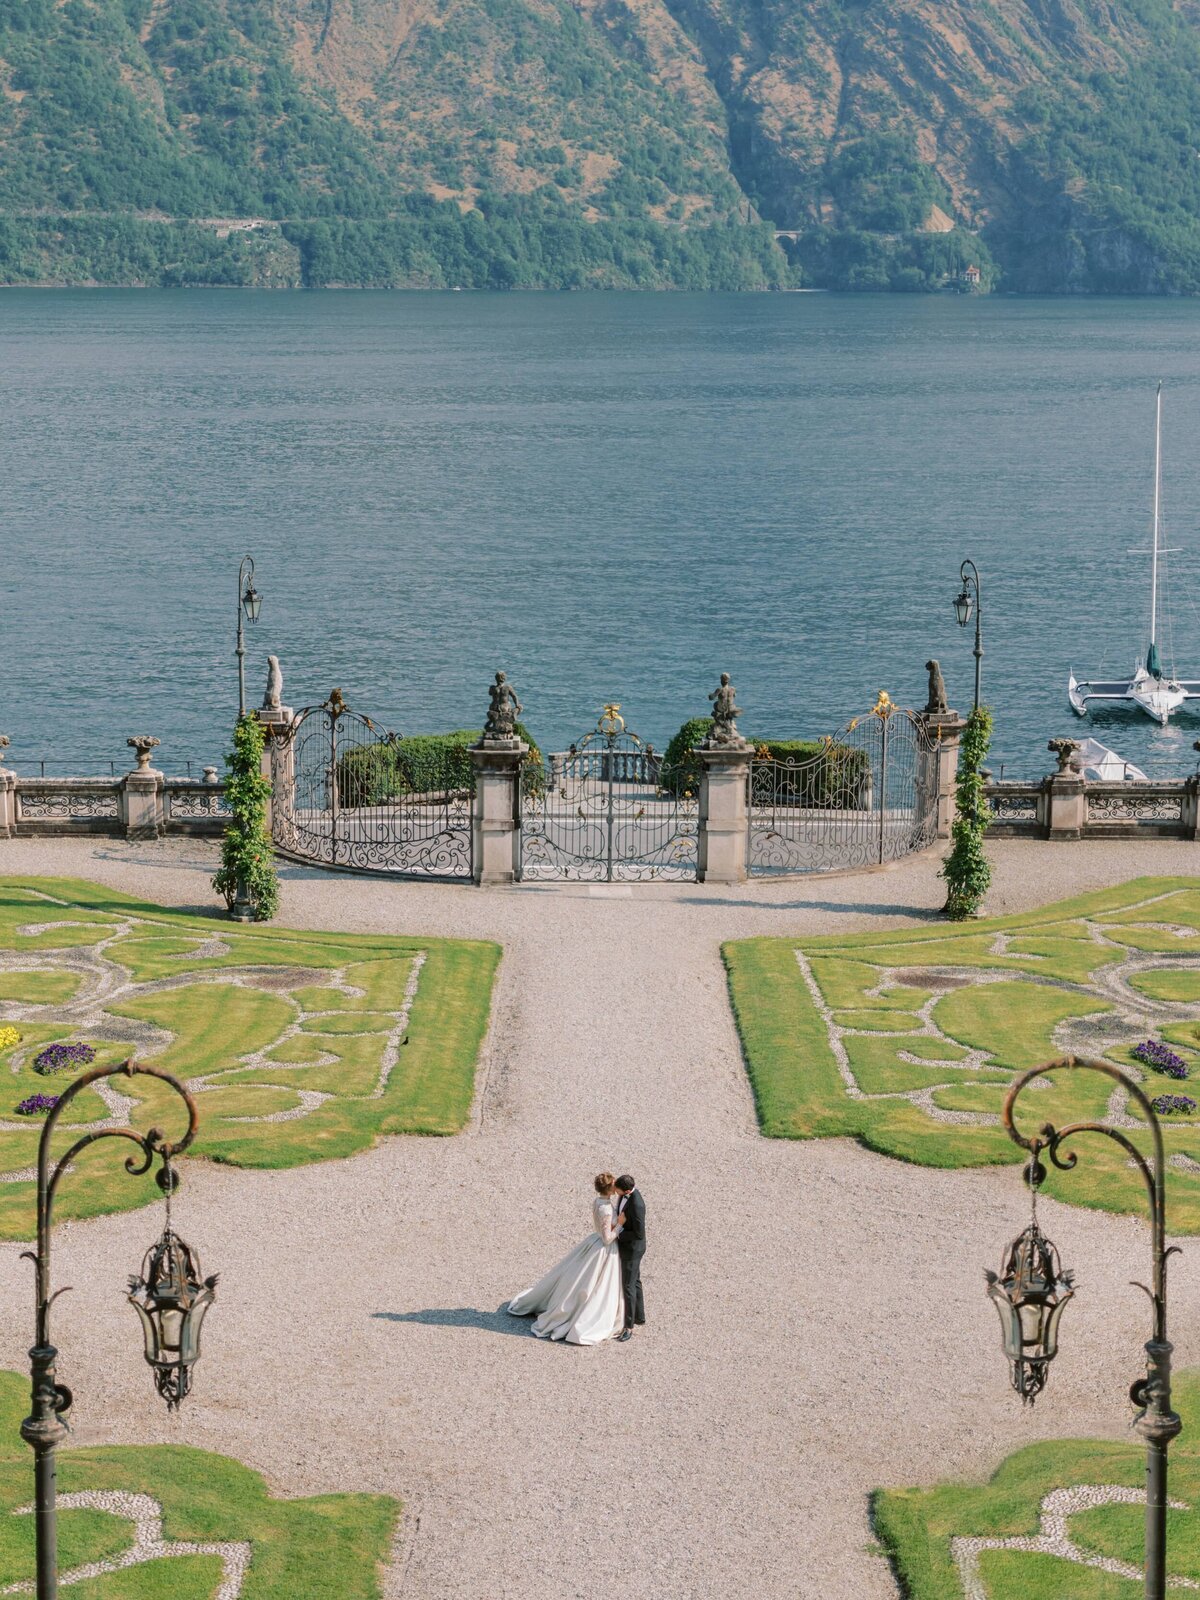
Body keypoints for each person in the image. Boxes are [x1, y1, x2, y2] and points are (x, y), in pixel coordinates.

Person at [507, 1174, 625, 1344]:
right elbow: (607, 1238)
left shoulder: (598, 1201)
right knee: (596, 1284)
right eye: (614, 1185)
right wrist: (620, 1224)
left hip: (593, 1241)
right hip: (603, 1249)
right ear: (609, 1188)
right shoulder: (606, 1209)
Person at [614, 1174, 646, 1342]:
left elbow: (639, 1234)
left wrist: (618, 1233)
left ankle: (628, 1327)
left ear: (626, 1190)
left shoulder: (637, 1204)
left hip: (632, 1249)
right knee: (635, 1282)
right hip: (630, 1248)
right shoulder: (625, 1196)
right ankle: (639, 1316)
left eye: (617, 1189)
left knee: (628, 1286)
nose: (614, 1191)